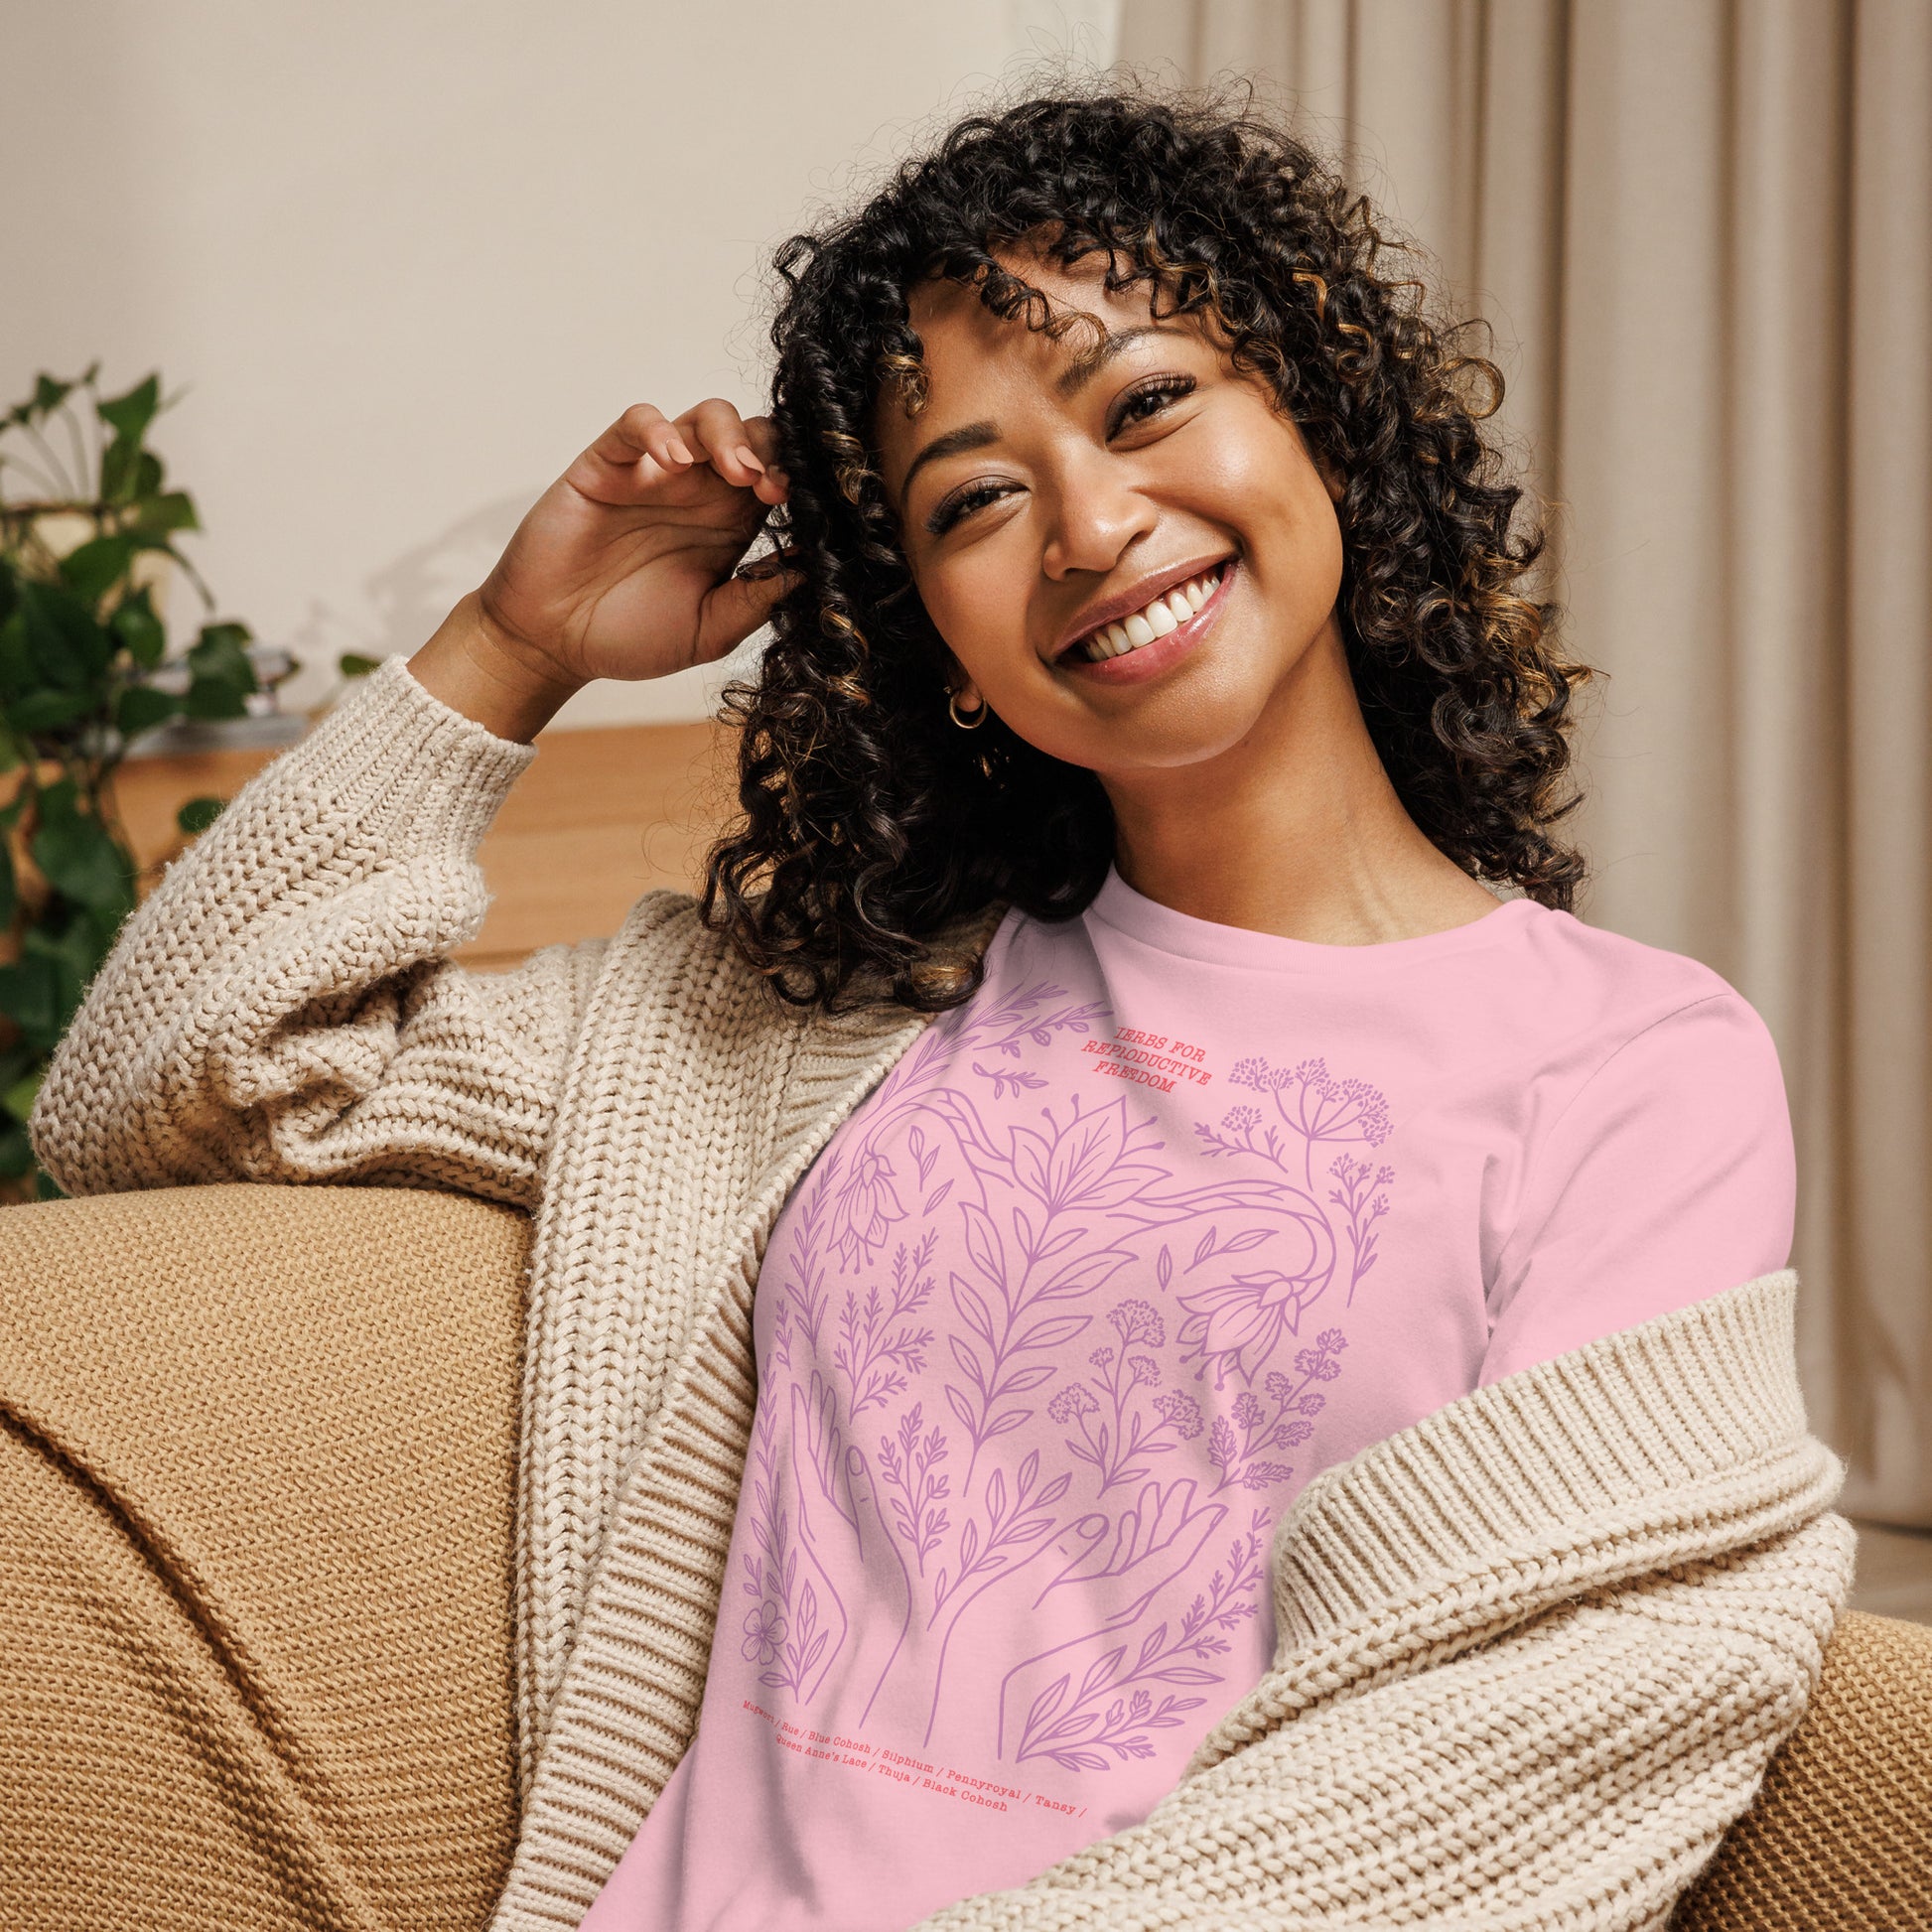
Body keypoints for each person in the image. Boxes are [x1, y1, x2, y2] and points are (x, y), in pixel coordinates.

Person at [27, 86, 1849, 1932]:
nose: (1085, 522)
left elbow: (1528, 1734)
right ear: (936, 637)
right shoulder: (821, 1021)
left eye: (1146, 403)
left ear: (1319, 418)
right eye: (974, 496)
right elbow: (174, 1089)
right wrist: (509, 648)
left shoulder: (1627, 1068)